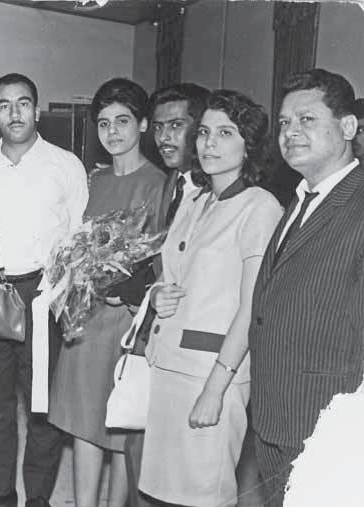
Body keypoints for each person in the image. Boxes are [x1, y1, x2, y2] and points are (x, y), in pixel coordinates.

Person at [139, 90, 282, 506]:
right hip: (169, 367)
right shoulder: (195, 199)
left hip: (211, 373)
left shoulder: (260, 207)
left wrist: (215, 390)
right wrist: (157, 294)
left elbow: (252, 307)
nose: (209, 143)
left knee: (205, 493)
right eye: (203, 132)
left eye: (225, 133)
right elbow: (173, 272)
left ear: (248, 144)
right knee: (164, 493)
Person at [0, 73, 87, 507]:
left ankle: (38, 497)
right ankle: (0, 491)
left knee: (42, 405)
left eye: (23, 103)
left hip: (43, 295)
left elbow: (79, 237)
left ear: (37, 110)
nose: (15, 113)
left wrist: (63, 293)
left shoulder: (65, 164)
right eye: (5, 105)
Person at [248, 69, 364, 507]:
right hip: (276, 414)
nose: (290, 131)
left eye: (307, 119)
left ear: (347, 127)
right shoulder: (298, 200)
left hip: (329, 425)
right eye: (284, 122)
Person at [49, 78, 164, 507]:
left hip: (124, 319)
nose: (112, 131)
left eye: (122, 121)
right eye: (103, 123)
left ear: (143, 124)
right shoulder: (94, 181)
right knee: (83, 421)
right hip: (86, 315)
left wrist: (126, 289)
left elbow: (160, 259)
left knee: (119, 421)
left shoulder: (159, 184)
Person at [120, 82, 210, 507]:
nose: (163, 137)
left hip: (192, 349)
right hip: (155, 332)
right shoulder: (172, 182)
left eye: (177, 125)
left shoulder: (218, 192)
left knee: (181, 465)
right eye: (158, 127)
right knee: (138, 445)